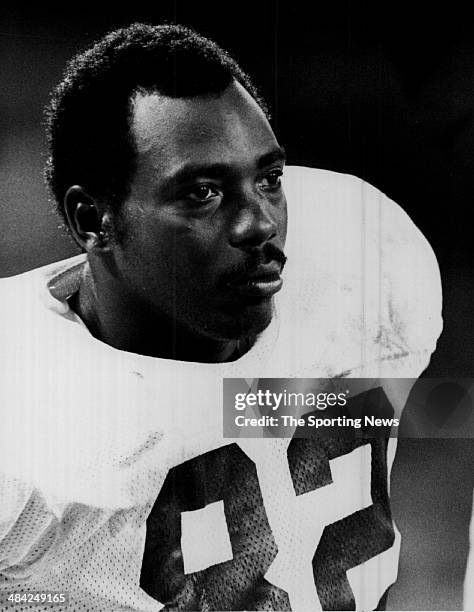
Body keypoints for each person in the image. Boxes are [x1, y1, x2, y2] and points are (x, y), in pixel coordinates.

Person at [0, 23, 442, 611]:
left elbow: (249, 407)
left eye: (269, 178)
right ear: (92, 220)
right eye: (202, 192)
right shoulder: (21, 414)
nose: (259, 223)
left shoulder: (361, 252)